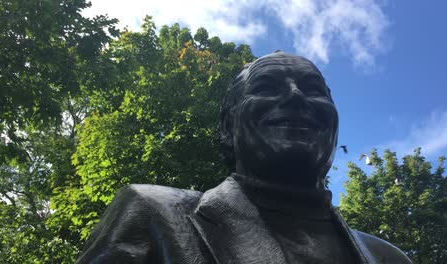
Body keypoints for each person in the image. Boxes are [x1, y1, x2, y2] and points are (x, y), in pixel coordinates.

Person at [76, 52, 412, 264]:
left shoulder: (387, 257)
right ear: (226, 128)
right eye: (266, 86)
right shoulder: (153, 215)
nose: (296, 97)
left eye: (314, 89)